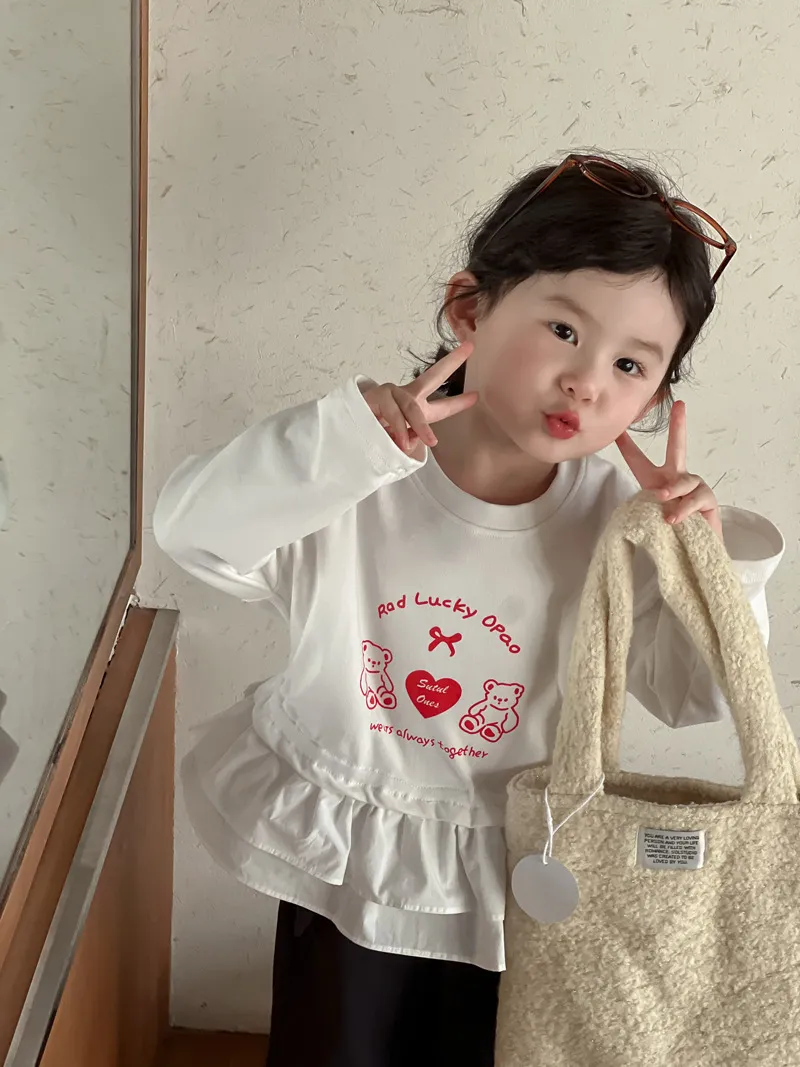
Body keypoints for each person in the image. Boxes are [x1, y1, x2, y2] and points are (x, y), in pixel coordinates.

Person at [153, 154, 784, 1067]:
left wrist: (705, 560)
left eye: (630, 365)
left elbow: (695, 696)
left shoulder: (616, 523)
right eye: (563, 328)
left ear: (655, 394)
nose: (587, 381)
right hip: (353, 853)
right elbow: (195, 535)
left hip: (521, 871)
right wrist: (342, 445)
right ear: (470, 310)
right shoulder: (357, 472)